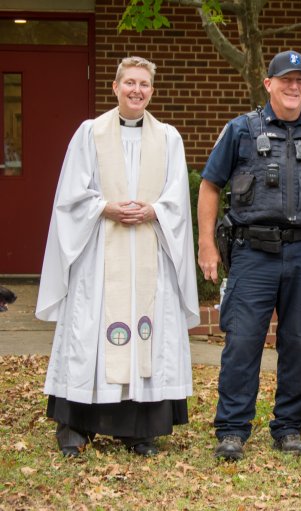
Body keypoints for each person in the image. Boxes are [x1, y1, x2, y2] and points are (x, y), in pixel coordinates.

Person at [198, 50, 301, 460]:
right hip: (253, 253)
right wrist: (205, 243)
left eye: (300, 80)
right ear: (268, 84)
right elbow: (210, 186)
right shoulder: (240, 130)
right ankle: (233, 429)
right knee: (242, 342)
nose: (293, 87)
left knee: (297, 343)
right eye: (285, 79)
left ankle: (289, 427)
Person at [37, 56, 199, 457]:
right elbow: (71, 196)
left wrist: (154, 210)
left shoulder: (169, 138)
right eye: (129, 83)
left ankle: (138, 430)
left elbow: (177, 198)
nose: (136, 90)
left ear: (152, 91)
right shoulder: (90, 133)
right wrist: (104, 207)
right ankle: (74, 426)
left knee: (146, 334)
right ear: (115, 87)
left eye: (144, 84)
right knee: (89, 331)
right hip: (99, 254)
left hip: (149, 251)